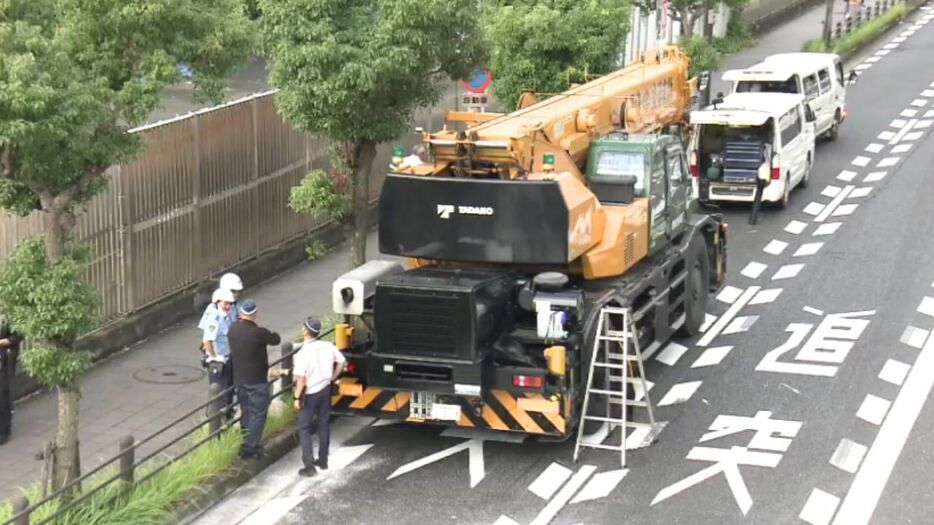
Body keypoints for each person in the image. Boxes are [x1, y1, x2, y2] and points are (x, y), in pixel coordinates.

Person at [227, 299, 283, 459]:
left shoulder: (233, 330)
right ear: (255, 314)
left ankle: (246, 440)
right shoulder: (258, 332)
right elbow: (276, 339)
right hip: (257, 380)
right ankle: (249, 448)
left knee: (246, 410)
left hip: (240, 379)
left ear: (241, 313)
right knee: (258, 413)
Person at [293, 318, 345, 477]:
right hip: (325, 389)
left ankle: (309, 466)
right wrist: (332, 377)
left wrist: (296, 398)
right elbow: (342, 361)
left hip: (310, 393)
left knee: (304, 427)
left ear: (305, 331)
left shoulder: (303, 353)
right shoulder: (328, 346)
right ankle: (323, 460)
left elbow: (301, 379)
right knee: (323, 424)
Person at [199, 288, 237, 419]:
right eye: (225, 303)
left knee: (229, 388)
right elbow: (207, 340)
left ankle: (227, 414)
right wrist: (214, 356)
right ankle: (216, 420)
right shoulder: (215, 318)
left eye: (229, 304)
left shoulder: (226, 316)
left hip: (228, 356)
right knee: (219, 391)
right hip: (219, 361)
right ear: (217, 302)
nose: (227, 306)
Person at [0, 318, 22, 445]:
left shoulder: (8, 315)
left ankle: (4, 431)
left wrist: (3, 342)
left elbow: (18, 335)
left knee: (3, 396)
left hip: (5, 361)